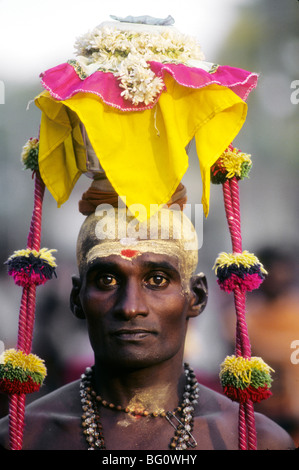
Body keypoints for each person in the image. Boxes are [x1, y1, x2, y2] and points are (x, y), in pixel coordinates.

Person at [0, 208, 295, 450]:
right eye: (106, 280)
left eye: (157, 280)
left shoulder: (255, 440)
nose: (130, 307)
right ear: (77, 299)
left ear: (197, 297)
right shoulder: (23, 437)